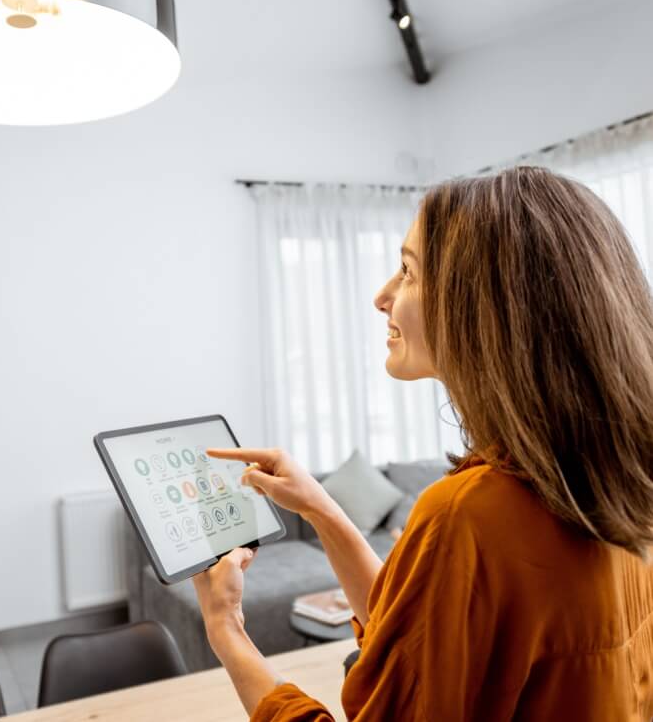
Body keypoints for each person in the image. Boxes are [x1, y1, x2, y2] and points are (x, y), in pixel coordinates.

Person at [192, 166, 653, 720]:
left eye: (407, 271)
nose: (382, 296)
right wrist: (321, 509)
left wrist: (227, 631)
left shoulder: (470, 516)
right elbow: (422, 643)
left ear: (482, 304)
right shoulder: (610, 490)